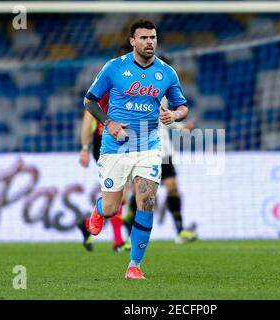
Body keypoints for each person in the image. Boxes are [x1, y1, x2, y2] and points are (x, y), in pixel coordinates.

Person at [83, 19, 189, 279]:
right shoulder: (114, 68)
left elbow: (183, 107)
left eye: (153, 37)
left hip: (149, 145)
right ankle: (99, 210)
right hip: (116, 146)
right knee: (112, 208)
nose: (149, 42)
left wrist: (175, 116)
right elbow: (89, 101)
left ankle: (134, 266)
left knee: (147, 201)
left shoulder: (167, 73)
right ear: (133, 41)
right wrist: (109, 123)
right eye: (144, 38)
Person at [123, 55, 198, 245]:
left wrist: (182, 128)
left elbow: (166, 119)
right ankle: (128, 229)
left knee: (172, 187)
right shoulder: (137, 91)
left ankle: (180, 231)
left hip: (164, 152)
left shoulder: (163, 94)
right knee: (143, 193)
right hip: (144, 150)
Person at [77, 44, 133, 253]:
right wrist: (84, 147)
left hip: (127, 140)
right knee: (119, 193)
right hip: (105, 142)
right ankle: (118, 241)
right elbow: (88, 114)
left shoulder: (137, 84)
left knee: (122, 197)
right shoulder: (108, 82)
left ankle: (86, 226)